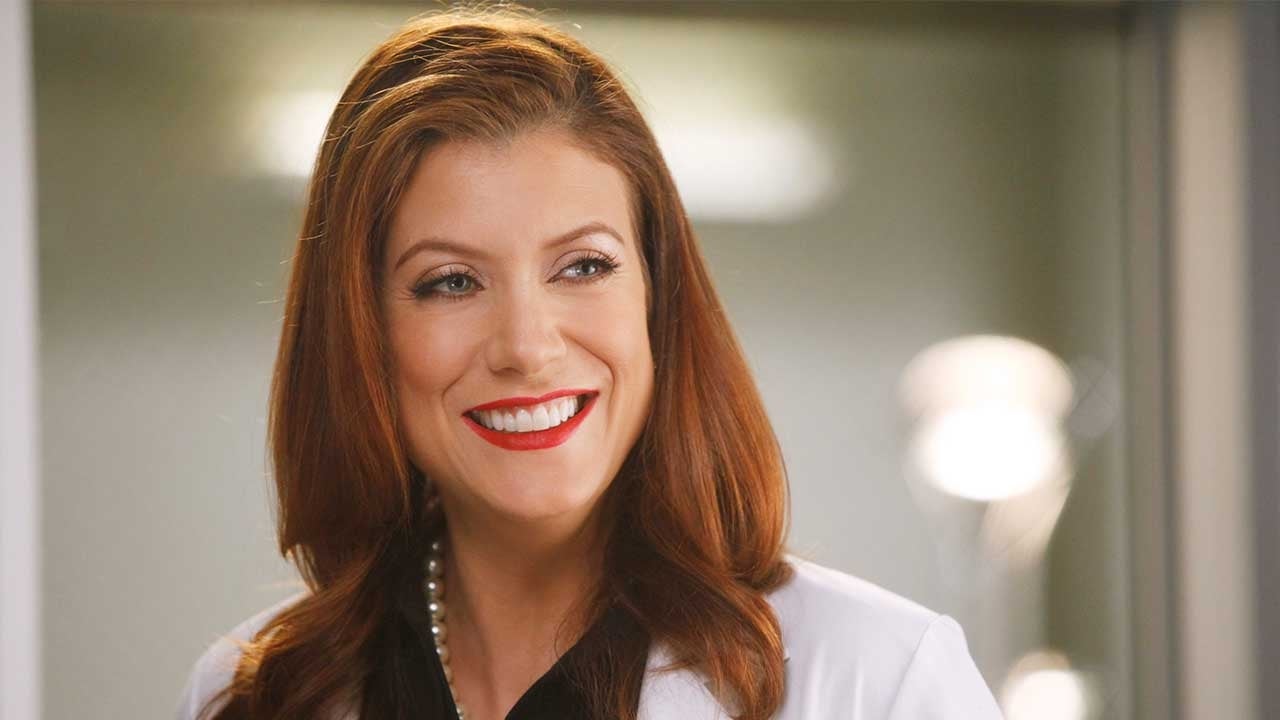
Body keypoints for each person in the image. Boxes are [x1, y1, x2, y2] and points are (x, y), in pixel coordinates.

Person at [176, 7, 1004, 720]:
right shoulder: (250, 695)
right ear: (361, 332)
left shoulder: (881, 680)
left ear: (657, 296)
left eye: (582, 266)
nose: (527, 347)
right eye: (451, 282)